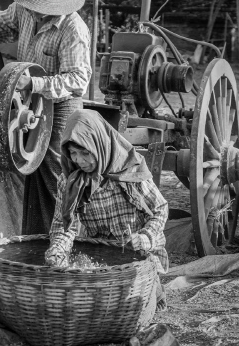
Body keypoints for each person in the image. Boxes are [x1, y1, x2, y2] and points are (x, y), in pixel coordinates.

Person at [0, 0, 92, 234]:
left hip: (61, 105)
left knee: (53, 172)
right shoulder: (23, 9)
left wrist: (34, 83)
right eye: (35, 4)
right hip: (28, 101)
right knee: (29, 169)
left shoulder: (74, 29)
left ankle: (60, 241)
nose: (36, 13)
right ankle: (34, 239)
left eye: (43, 7)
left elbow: (79, 80)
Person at [44, 110, 169, 309]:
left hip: (136, 252)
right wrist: (57, 250)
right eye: (73, 154)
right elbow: (63, 225)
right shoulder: (70, 181)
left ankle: (155, 290)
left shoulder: (130, 170)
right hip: (100, 255)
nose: (80, 161)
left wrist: (145, 237)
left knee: (134, 304)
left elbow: (160, 209)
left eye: (85, 153)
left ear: (99, 144)